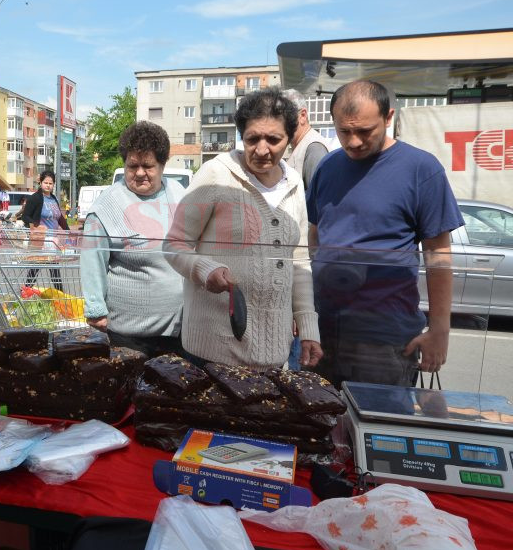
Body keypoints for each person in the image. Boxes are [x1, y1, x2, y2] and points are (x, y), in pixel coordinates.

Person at [307, 80, 463, 387]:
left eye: (364, 131)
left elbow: (439, 255)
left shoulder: (421, 169)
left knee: (378, 428)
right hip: (324, 329)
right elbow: (314, 235)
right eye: (343, 131)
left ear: (388, 117)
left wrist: (439, 330)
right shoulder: (327, 167)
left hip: (385, 337)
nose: (353, 142)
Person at [166, 88, 322, 370]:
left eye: (274, 140)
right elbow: (174, 244)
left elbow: (298, 261)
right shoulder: (215, 174)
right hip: (213, 352)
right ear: (241, 136)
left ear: (289, 138)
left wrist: (308, 327)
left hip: (276, 354)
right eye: (252, 139)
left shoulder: (295, 183)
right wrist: (203, 269)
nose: (262, 149)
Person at [81, 122, 188, 357]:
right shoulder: (105, 207)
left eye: (148, 165)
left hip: (182, 330)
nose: (140, 173)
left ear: (162, 164)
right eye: (133, 166)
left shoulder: (181, 194)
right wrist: (96, 309)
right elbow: (92, 261)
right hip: (130, 338)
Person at [282, 89, 330, 369]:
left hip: (305, 266)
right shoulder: (297, 148)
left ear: (302, 115)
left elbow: (318, 217)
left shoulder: (313, 149)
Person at [22, 169, 69, 291]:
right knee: (35, 269)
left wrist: (68, 231)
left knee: (54, 270)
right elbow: (25, 216)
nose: (48, 185)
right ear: (41, 183)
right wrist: (35, 225)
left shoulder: (53, 199)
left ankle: (60, 296)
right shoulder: (35, 198)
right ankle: (26, 292)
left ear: (53, 185)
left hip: (53, 241)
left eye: (50, 183)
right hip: (41, 240)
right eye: (46, 183)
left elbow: (59, 217)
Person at [283, 89, 330, 190]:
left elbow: (317, 201)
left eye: (284, 118)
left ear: (303, 116)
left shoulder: (314, 148)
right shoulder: (302, 145)